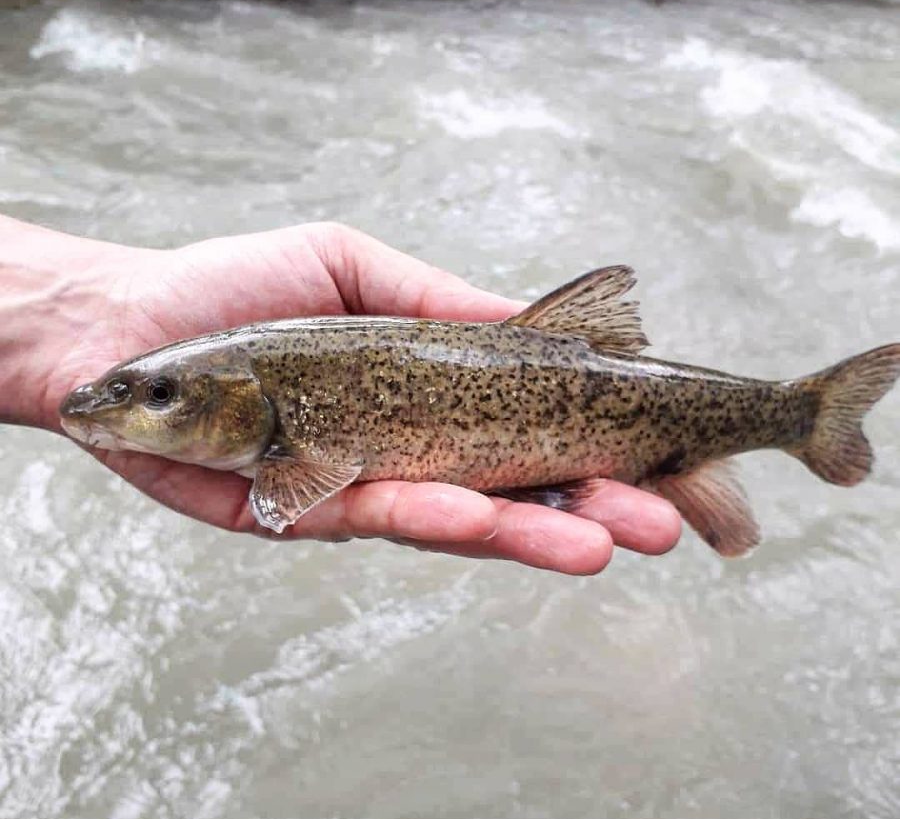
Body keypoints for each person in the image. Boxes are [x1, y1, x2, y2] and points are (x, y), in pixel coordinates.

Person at [0, 214, 681, 574]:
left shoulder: (280, 445)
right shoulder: (258, 408)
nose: (119, 408)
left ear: (243, 403)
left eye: (154, 395)